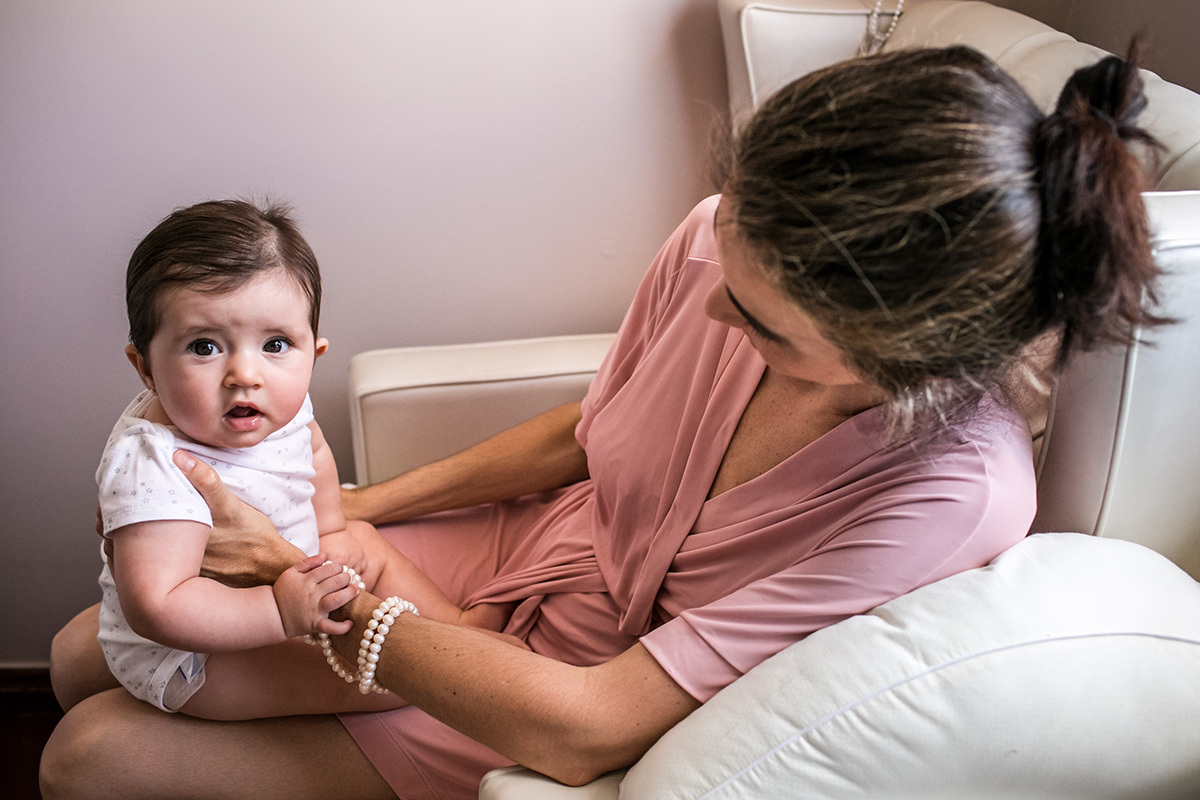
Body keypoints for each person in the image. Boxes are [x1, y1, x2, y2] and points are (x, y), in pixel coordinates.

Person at [42, 46, 1166, 799]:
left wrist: (316, 586)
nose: (714, 308)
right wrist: (355, 514)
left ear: (898, 359)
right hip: (537, 545)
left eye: (763, 322)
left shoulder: (951, 490)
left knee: (88, 754)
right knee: (76, 652)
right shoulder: (717, 237)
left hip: (571, 681)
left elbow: (593, 720)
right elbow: (595, 430)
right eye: (728, 264)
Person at [88, 200, 512, 721]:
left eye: (275, 343)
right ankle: (457, 671)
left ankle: (458, 629)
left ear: (314, 353)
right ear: (145, 366)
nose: (245, 373)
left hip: (287, 580)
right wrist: (276, 612)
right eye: (204, 347)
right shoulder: (154, 464)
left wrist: (331, 529)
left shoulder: (276, 401)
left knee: (363, 542)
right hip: (197, 654)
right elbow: (160, 605)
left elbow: (311, 450)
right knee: (390, 681)